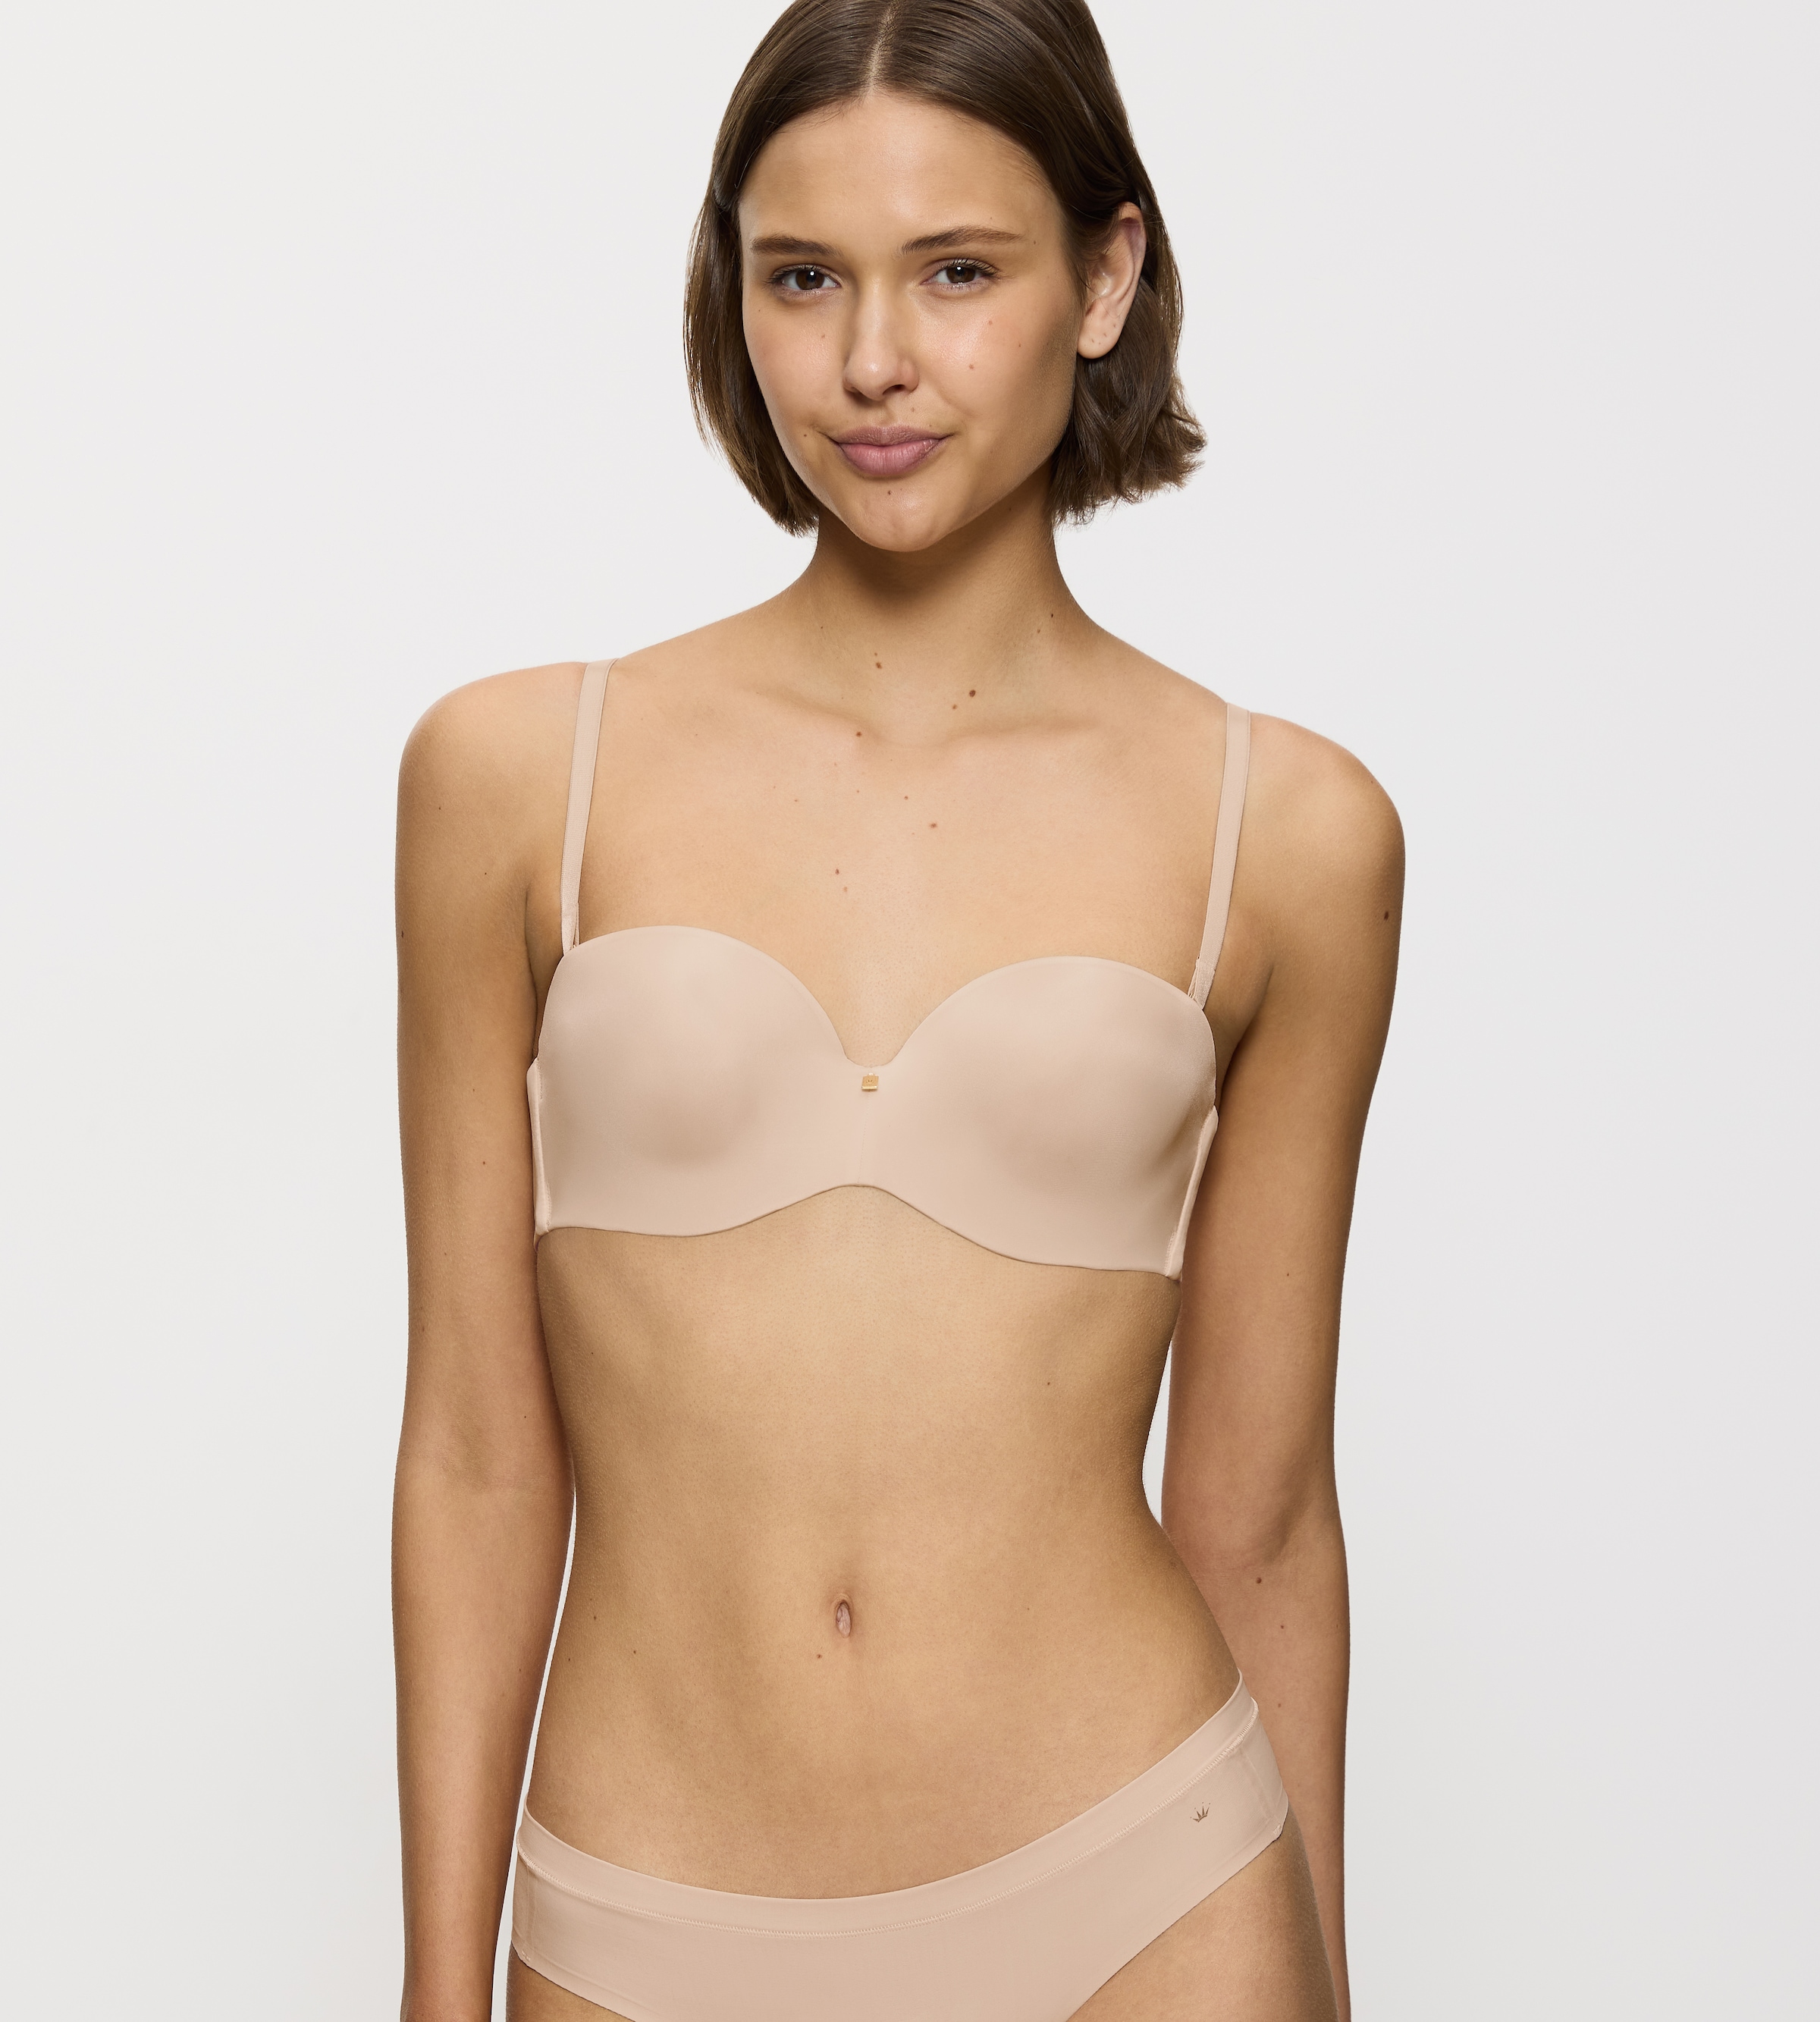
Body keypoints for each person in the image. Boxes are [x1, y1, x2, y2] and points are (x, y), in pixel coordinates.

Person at [392, 2, 1402, 2017]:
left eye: (957, 272)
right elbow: (480, 1457)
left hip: (1150, 1890)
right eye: (803, 277)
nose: (872, 360)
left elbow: (1264, 1515)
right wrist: (437, 1987)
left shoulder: (1284, 835)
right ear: (732, 292)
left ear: (1104, 279)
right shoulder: (515, 782)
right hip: (648, 1906)